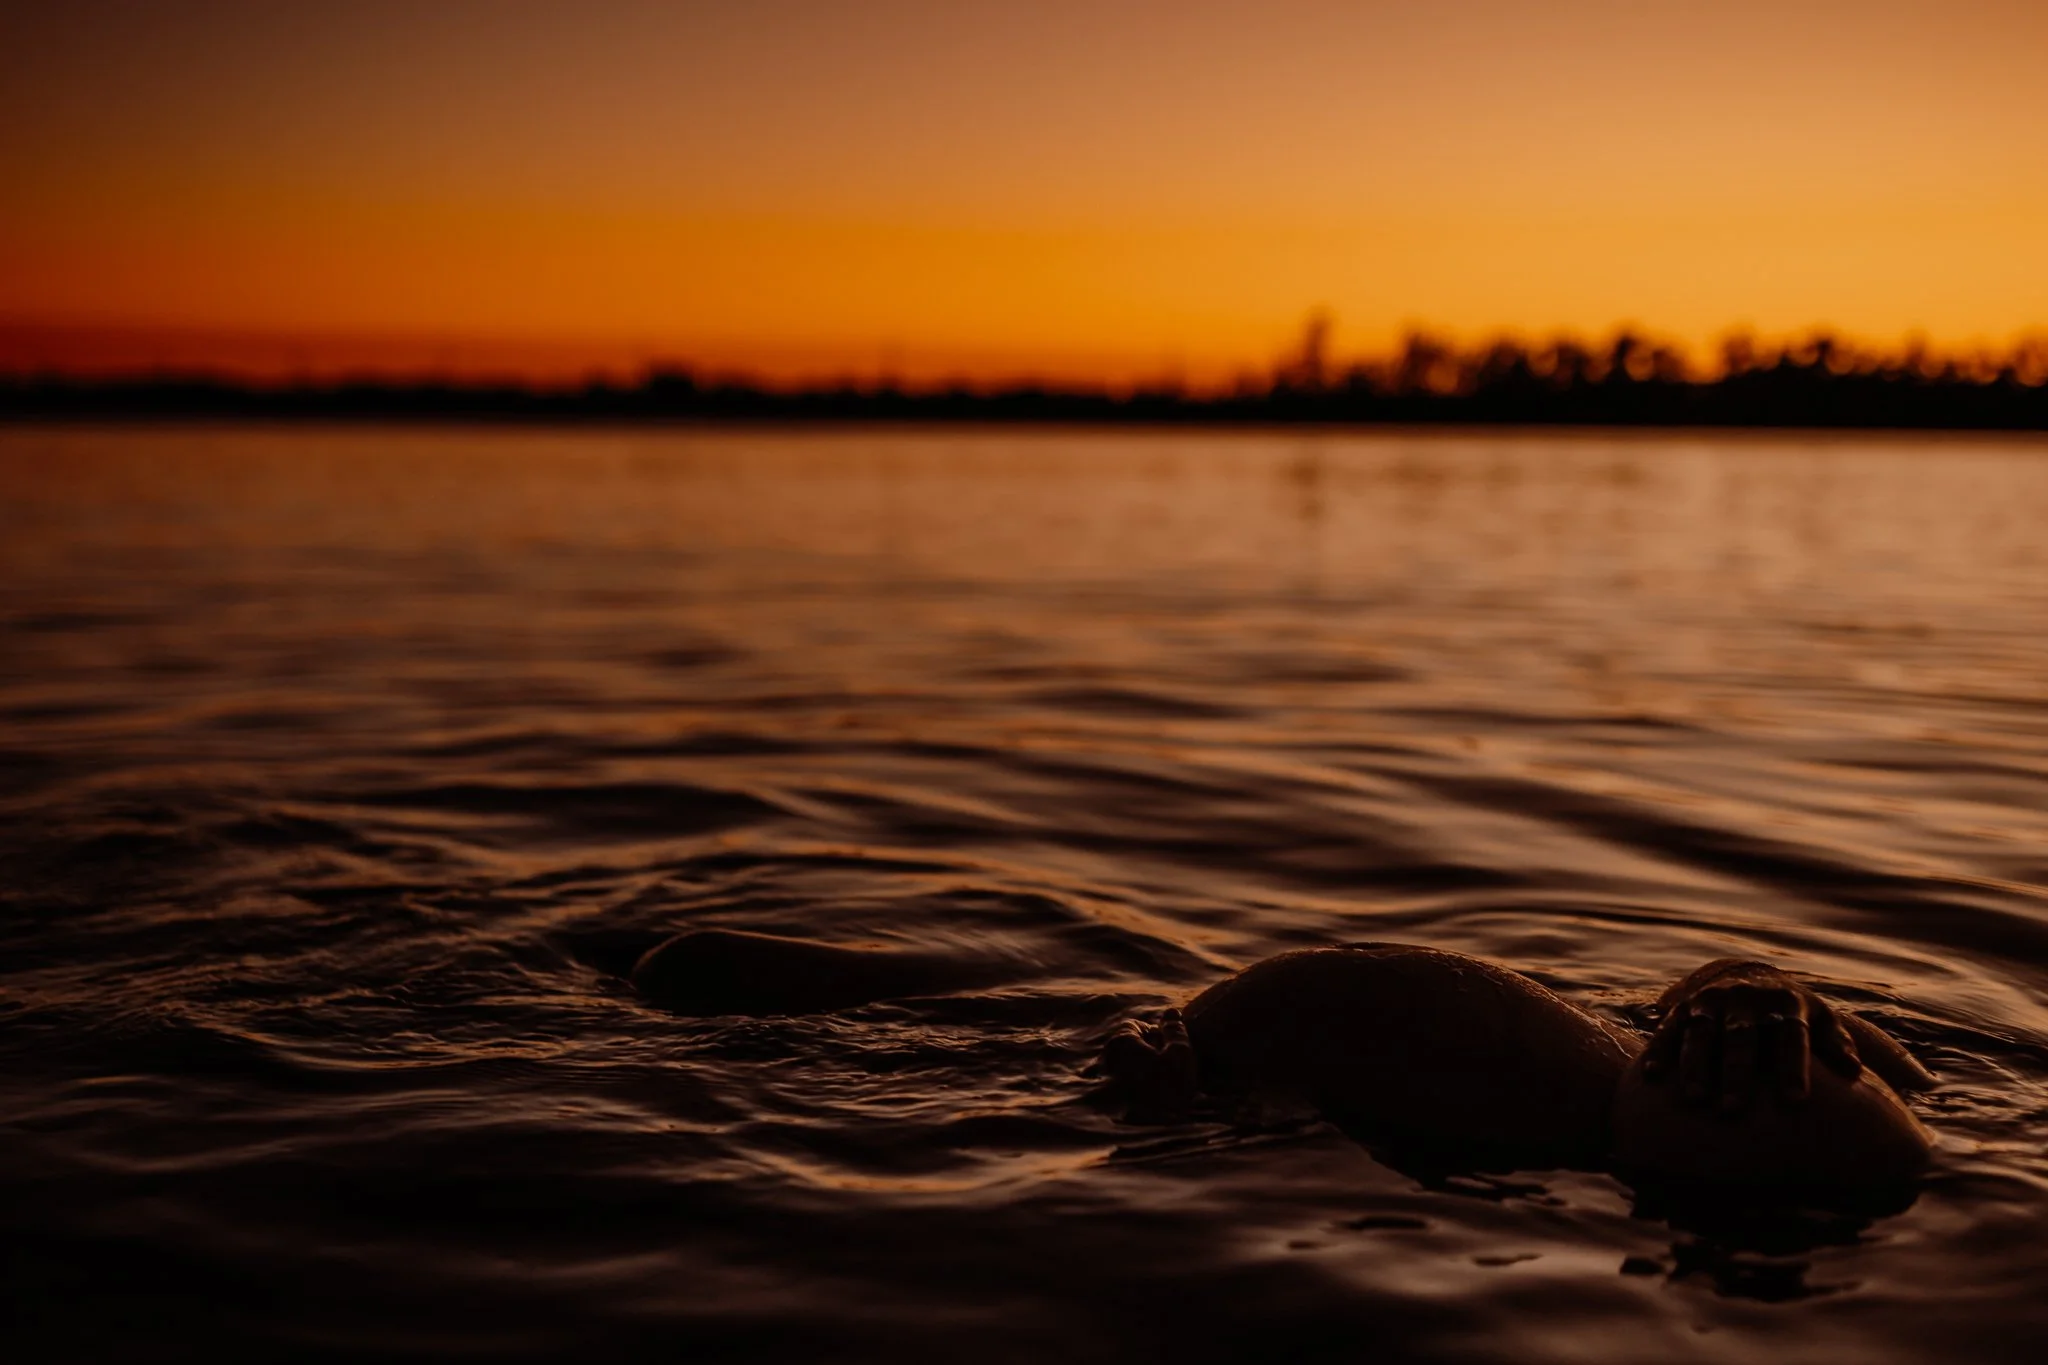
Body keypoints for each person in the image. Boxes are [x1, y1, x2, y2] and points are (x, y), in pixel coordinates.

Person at [629, 929, 1938, 1199]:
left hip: (1144, 1073)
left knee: (694, 978)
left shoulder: (1586, 1163)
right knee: (689, 965)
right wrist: (1751, 985)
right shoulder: (1882, 1097)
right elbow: (1708, 988)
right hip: (1151, 1025)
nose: (1718, 1053)